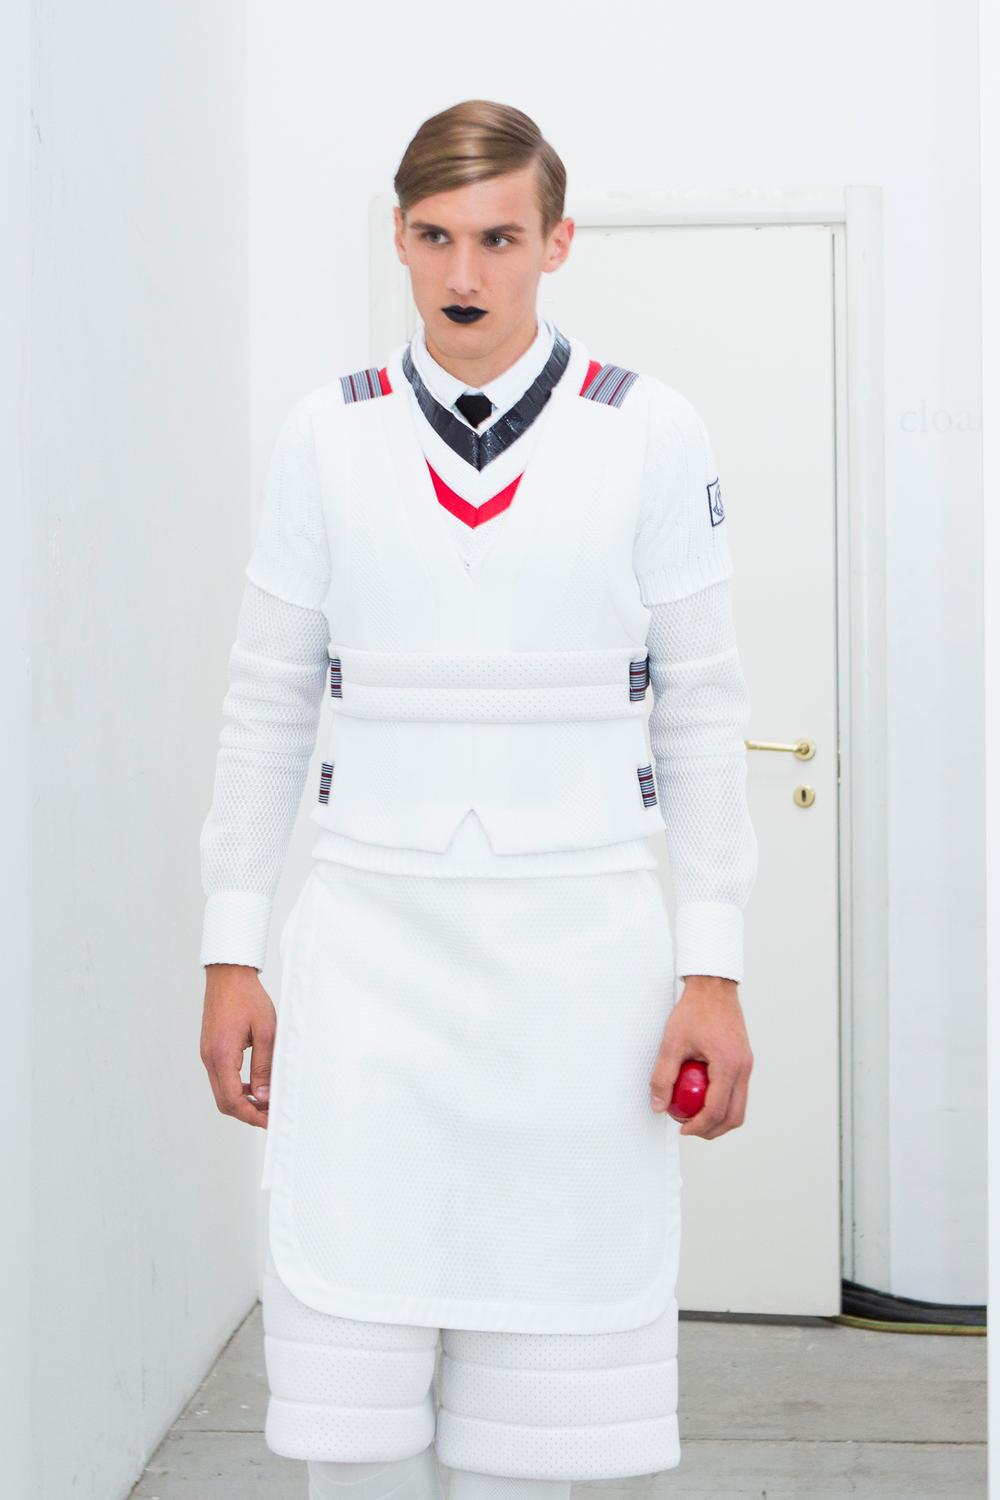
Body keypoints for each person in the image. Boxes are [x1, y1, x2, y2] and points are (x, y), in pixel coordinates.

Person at [198, 99, 757, 1500]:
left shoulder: (649, 431)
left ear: (557, 243)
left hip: (583, 960)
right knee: (355, 1386)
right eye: (437, 238)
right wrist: (230, 948)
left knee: (545, 1403)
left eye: (499, 240)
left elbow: (703, 710)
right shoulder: (326, 435)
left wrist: (715, 968)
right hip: (368, 948)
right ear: (398, 237)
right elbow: (266, 698)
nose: (464, 276)